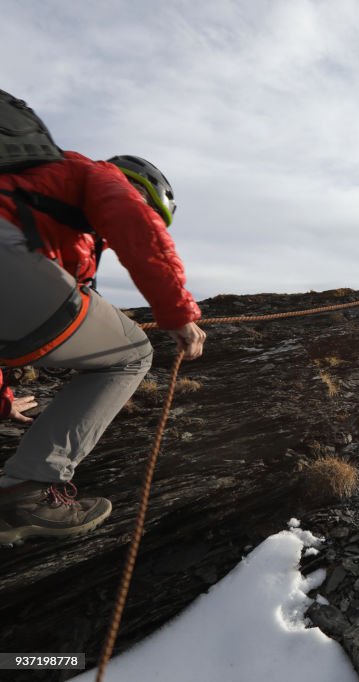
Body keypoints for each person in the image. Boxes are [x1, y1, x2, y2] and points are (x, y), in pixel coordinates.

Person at [0, 146, 205, 544]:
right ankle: (26, 489)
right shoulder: (96, 175)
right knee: (131, 354)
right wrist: (178, 312)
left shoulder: (36, 190)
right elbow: (135, 223)